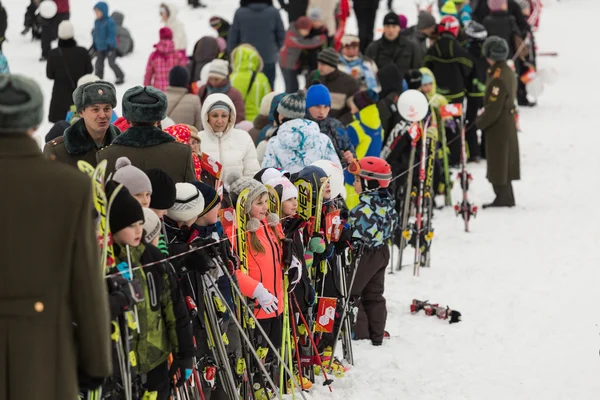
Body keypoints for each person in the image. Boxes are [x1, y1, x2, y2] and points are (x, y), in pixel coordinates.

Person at [0, 74, 112, 399]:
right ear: (35, 121)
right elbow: (86, 284)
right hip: (43, 351)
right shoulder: (70, 186)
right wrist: (95, 362)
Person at [105, 182, 195, 400]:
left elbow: (174, 309)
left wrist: (185, 355)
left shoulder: (152, 258)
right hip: (118, 370)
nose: (139, 230)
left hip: (155, 361)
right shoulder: (103, 265)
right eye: (131, 225)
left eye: (140, 223)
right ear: (113, 227)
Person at [97, 85, 196, 182]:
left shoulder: (105, 156)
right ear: (159, 120)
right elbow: (193, 194)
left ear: (127, 119)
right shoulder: (182, 153)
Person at [348, 156, 397, 346]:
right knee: (374, 294)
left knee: (352, 294)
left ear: (371, 183)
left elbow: (352, 232)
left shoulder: (361, 210)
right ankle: (376, 334)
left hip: (364, 254)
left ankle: (360, 335)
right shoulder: (389, 203)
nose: (354, 184)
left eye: (358, 180)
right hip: (382, 252)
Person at [476, 36, 520, 208]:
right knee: (502, 160)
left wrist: (479, 123)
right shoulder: (505, 71)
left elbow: (494, 107)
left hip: (498, 125)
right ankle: (505, 195)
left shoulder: (497, 77)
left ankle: (503, 196)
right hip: (504, 122)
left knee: (499, 161)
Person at [44, 80, 120, 166]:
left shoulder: (123, 146)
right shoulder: (58, 151)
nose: (102, 115)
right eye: (95, 109)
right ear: (80, 112)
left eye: (106, 109)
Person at [261, 92, 341, 172]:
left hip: (285, 184)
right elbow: (336, 171)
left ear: (281, 115)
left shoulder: (274, 143)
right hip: (318, 183)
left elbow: (267, 175)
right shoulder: (323, 139)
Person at [198, 93, 260, 178]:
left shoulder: (243, 138)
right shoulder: (198, 139)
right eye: (215, 115)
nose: (219, 121)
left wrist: (242, 190)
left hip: (239, 191)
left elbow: (253, 173)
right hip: (208, 191)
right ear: (207, 117)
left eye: (224, 116)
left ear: (230, 117)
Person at [228, 0, 285, 89]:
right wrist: (278, 50)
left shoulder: (240, 13)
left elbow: (233, 36)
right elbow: (281, 35)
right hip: (268, 56)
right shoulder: (273, 12)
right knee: (268, 86)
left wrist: (232, 54)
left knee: (245, 86)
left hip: (245, 57)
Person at [46, 21, 93, 123]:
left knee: (60, 130)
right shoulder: (83, 52)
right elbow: (89, 71)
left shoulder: (53, 54)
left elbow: (49, 75)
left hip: (59, 99)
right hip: (79, 97)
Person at [304, 83, 356, 175]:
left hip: (335, 180)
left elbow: (349, 150)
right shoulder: (299, 128)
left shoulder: (336, 126)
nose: (322, 111)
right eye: (317, 106)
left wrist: (350, 157)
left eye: (326, 106)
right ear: (307, 106)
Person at [306, 48, 360, 125]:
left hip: (336, 128)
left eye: (323, 64)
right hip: (311, 125)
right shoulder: (314, 75)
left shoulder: (349, 82)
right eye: (319, 63)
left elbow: (354, 110)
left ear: (333, 65)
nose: (319, 67)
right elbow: (304, 99)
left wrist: (337, 124)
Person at [279, 16, 328, 93]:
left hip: (293, 64)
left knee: (294, 85)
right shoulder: (291, 36)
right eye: (306, 30)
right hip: (287, 65)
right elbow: (306, 43)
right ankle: (289, 101)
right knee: (291, 87)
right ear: (299, 28)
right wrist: (321, 39)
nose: (307, 32)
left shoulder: (296, 31)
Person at [366, 12, 422, 77]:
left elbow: (417, 69)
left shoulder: (411, 47)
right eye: (388, 26)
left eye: (394, 26)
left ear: (399, 28)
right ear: (384, 27)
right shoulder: (373, 48)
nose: (391, 30)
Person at [229, 45, 271, 122]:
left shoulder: (231, 78)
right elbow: (267, 103)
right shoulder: (261, 79)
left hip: (236, 121)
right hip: (256, 121)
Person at [144, 27, 187, 92]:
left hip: (158, 93)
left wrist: (148, 91)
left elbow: (148, 76)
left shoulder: (154, 56)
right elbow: (184, 74)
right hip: (174, 92)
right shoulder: (178, 55)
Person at [92, 2, 125, 84]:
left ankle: (120, 76)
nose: (96, 14)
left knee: (111, 63)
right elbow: (96, 34)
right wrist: (94, 43)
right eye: (95, 12)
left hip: (109, 47)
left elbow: (112, 34)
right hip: (100, 47)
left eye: (98, 12)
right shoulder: (96, 22)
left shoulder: (109, 22)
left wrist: (110, 45)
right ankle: (98, 78)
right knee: (98, 63)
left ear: (104, 11)